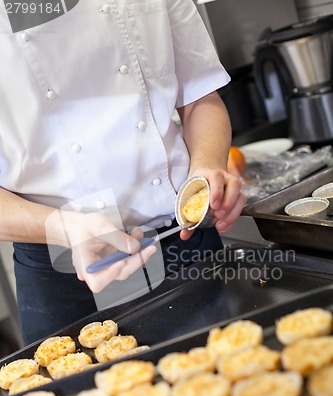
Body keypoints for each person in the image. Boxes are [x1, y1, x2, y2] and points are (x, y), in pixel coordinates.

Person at [0, 0, 246, 345]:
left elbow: (199, 96)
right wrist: (64, 228)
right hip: (65, 270)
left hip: (184, 240)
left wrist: (206, 168)